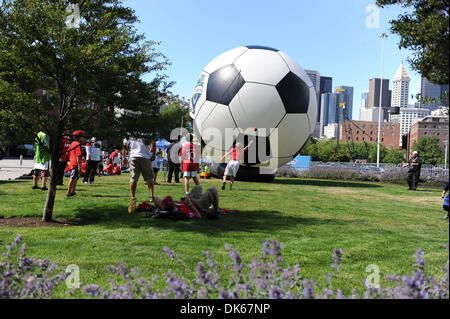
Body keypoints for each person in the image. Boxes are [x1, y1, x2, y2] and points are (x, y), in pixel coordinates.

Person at [122, 137, 156, 214]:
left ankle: (133, 197)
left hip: (134, 156)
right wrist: (154, 154)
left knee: (133, 178)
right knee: (149, 178)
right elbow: (153, 143)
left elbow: (125, 145)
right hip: (145, 156)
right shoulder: (149, 130)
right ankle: (151, 196)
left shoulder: (129, 132)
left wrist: (124, 157)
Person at [66, 130, 85, 197]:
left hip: (72, 162)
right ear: (80, 137)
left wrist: (70, 158)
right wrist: (79, 166)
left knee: (76, 178)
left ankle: (73, 191)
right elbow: (78, 156)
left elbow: (67, 152)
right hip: (76, 163)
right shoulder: (78, 144)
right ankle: (69, 192)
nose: (83, 138)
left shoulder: (72, 143)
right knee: (73, 177)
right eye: (82, 136)